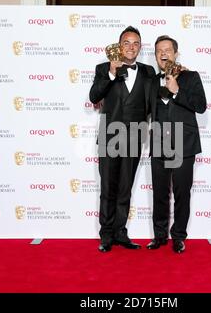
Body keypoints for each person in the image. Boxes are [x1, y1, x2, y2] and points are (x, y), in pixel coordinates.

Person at [89, 26, 155, 252]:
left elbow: (153, 103)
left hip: (135, 136)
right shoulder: (103, 68)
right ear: (119, 47)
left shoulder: (148, 72)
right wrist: (110, 73)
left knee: (125, 187)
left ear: (140, 47)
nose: (131, 47)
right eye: (126, 42)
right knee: (108, 187)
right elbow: (94, 96)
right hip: (110, 136)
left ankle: (120, 232)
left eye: (136, 43)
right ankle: (106, 234)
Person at [147, 35, 206, 253]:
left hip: (184, 143)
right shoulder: (151, 81)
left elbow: (201, 106)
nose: (164, 53)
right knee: (160, 193)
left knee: (182, 193)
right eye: (159, 51)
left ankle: (179, 236)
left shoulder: (190, 77)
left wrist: (177, 91)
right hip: (159, 143)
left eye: (168, 50)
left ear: (176, 53)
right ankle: (159, 236)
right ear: (155, 56)